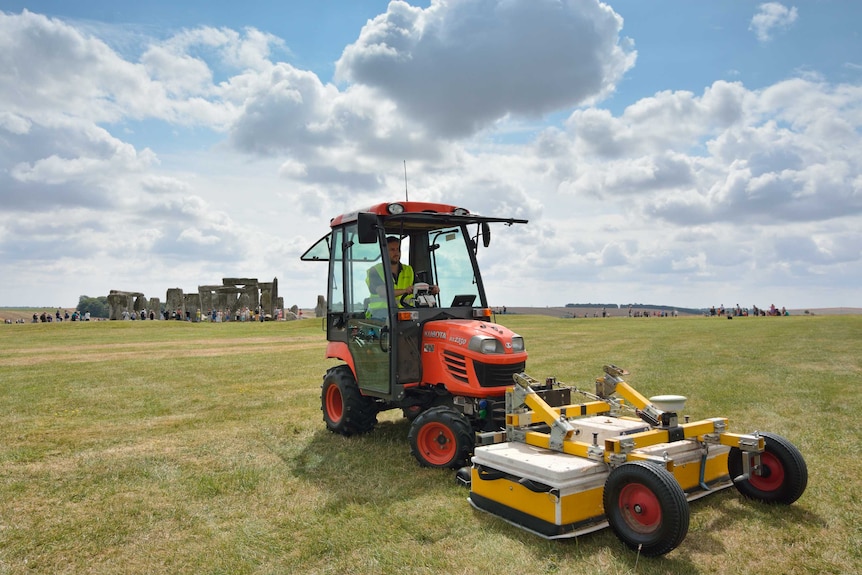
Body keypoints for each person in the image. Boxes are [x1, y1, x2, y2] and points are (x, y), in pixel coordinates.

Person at [366, 236, 438, 313]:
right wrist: (405, 291)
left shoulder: (408, 270)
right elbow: (383, 292)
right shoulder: (375, 271)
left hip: (405, 312)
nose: (396, 253)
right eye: (392, 250)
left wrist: (431, 290)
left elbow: (418, 288)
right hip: (381, 313)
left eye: (398, 249)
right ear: (384, 252)